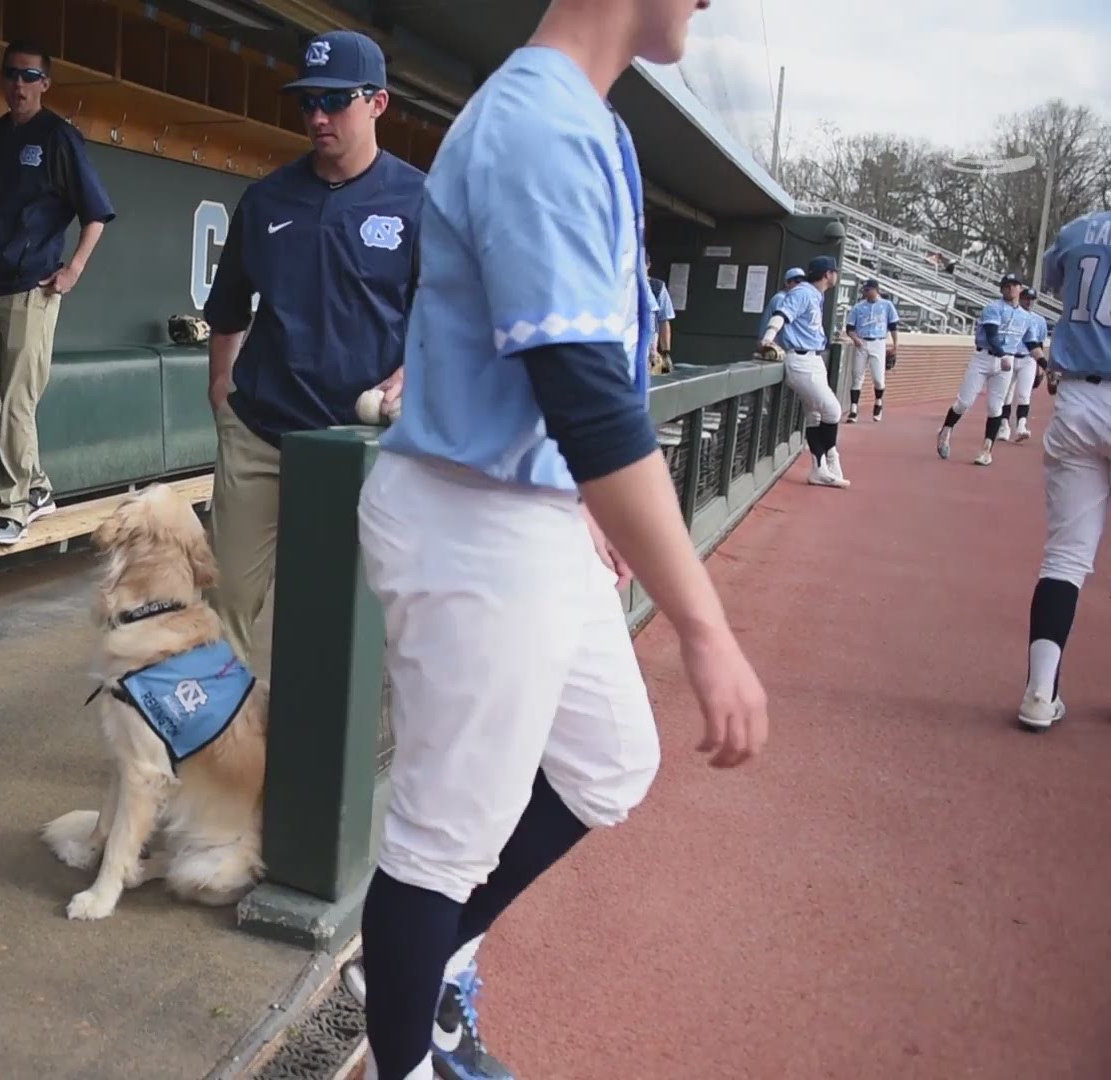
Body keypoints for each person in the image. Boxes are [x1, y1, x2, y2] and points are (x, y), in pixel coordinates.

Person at [345, 2, 770, 1077]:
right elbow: (587, 401)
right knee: (441, 841)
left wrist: (583, 500)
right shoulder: (537, 122)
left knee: (611, 764)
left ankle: (427, 965)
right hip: (469, 518)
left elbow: (566, 379)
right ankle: (404, 1037)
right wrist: (704, 627)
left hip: (528, 504)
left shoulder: (598, 123)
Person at [200, 28, 425, 670]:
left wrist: (415, 370)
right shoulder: (268, 197)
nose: (317, 116)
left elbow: (452, 316)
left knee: (335, 607)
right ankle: (216, 751)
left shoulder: (419, 200)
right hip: (263, 431)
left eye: (334, 101)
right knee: (227, 601)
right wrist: (222, 391)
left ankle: (314, 757)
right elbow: (227, 307)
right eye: (307, 103)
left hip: (359, 449)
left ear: (377, 103)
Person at [0, 39, 117, 546]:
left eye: (30, 77)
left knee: (16, 397)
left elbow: (96, 213)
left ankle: (10, 507)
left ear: (45, 84)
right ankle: (36, 486)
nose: (19, 85)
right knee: (5, 395)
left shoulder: (59, 137)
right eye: (12, 74)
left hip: (34, 286)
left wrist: (73, 268)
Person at [1017, 208, 1111, 732]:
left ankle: (1038, 691)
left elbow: (1056, 282)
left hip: (1078, 397)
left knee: (1066, 557)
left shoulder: (1079, 229)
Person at [758, 255, 851, 487]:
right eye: (834, 271)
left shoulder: (815, 294)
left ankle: (819, 469)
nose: (836, 275)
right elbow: (781, 315)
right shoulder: (803, 292)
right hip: (800, 359)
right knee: (832, 410)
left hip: (813, 358)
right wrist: (768, 339)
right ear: (827, 274)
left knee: (815, 416)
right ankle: (831, 459)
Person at [935, 273, 1031, 467]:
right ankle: (946, 430)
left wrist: (1044, 367)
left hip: (1006, 361)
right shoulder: (993, 308)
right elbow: (992, 335)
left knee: (996, 407)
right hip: (984, 357)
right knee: (964, 402)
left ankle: (987, 450)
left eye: (1014, 285)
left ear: (1020, 288)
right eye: (1006, 285)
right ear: (1001, 289)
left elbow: (1032, 343)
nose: (1010, 288)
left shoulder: (1025, 316)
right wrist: (1003, 354)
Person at [844, 278, 900, 423]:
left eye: (868, 290)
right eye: (864, 290)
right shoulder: (858, 307)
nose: (866, 292)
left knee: (878, 379)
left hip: (878, 342)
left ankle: (878, 403)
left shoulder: (887, 305)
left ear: (876, 289)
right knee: (857, 376)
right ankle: (853, 410)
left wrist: (895, 345)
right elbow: (849, 328)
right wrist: (855, 338)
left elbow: (893, 327)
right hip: (862, 342)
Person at [1002, 286, 1049, 443]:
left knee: (1024, 394)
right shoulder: (1012, 314)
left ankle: (1021, 425)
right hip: (1011, 356)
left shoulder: (1039, 320)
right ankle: (1004, 425)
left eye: (1031, 299)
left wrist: (1040, 367)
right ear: (1020, 298)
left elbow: (1039, 344)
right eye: (1026, 298)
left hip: (1028, 358)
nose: (1028, 302)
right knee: (1006, 394)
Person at [758, 265, 805, 344]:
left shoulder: (790, 298)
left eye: (803, 282)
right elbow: (782, 326)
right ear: (787, 283)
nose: (800, 285)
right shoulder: (781, 299)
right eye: (797, 282)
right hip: (770, 343)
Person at [646, 252, 675, 375]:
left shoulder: (656, 287)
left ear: (648, 265)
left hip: (650, 353)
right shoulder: (622, 286)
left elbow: (664, 320)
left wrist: (665, 352)